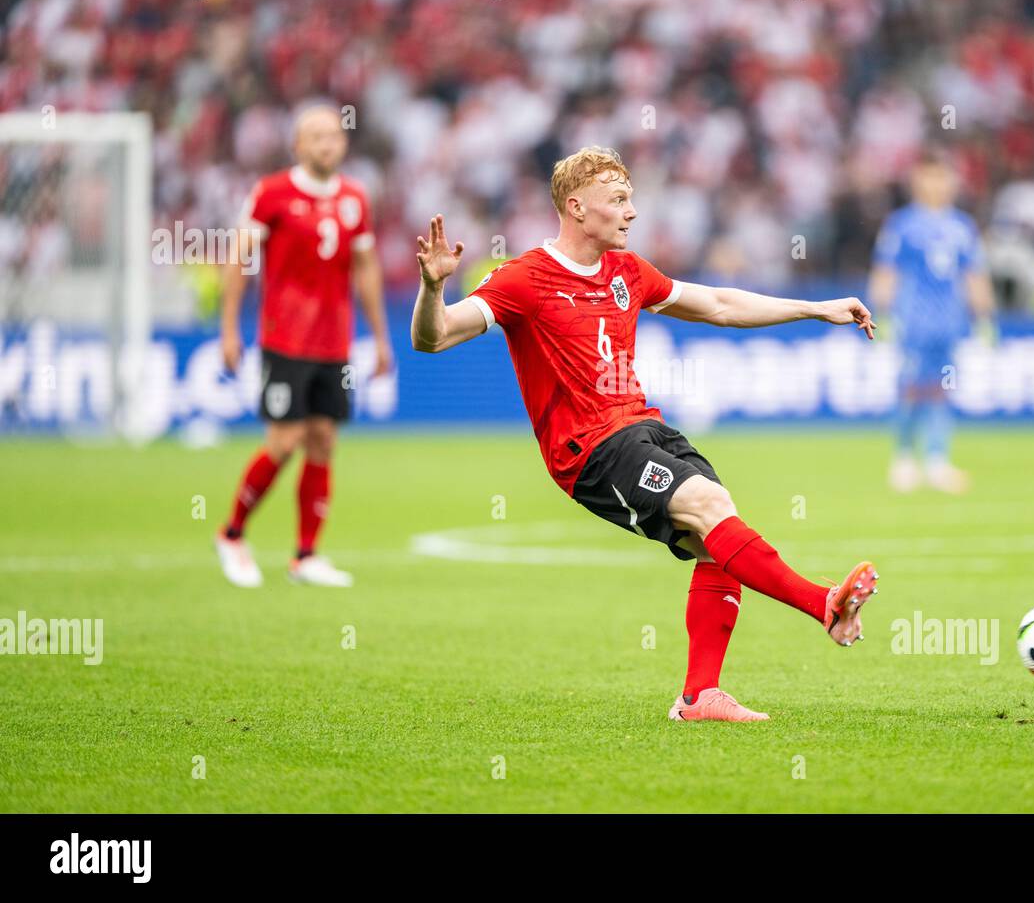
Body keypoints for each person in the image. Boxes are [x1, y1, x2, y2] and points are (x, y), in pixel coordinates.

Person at [410, 146, 879, 723]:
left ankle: (698, 696)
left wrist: (815, 309)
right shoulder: (524, 278)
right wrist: (433, 288)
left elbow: (720, 305)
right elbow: (433, 338)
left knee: (719, 535)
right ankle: (824, 605)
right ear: (577, 207)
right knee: (708, 504)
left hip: (643, 428)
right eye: (619, 200)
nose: (632, 212)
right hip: (590, 450)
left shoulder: (627, 272)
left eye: (631, 199)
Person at [214, 105, 392, 588]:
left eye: (334, 136)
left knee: (323, 442)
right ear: (297, 145)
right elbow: (238, 259)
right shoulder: (272, 193)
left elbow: (367, 270)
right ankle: (231, 534)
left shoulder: (355, 199)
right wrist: (229, 329)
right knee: (284, 440)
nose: (327, 144)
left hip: (334, 343)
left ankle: (306, 555)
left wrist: (379, 339)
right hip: (284, 339)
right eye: (316, 137)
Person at [868, 150, 995, 494]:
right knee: (911, 388)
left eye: (943, 176)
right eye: (930, 176)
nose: (938, 184)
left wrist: (984, 318)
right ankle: (904, 458)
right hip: (913, 321)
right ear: (917, 180)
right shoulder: (902, 225)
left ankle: (938, 460)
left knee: (941, 391)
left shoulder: (962, 227)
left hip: (949, 323)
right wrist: (883, 317)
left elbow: (974, 275)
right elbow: (886, 273)